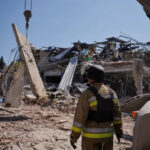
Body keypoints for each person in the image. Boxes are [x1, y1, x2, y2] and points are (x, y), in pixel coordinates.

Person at [70, 64, 123, 150]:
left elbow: (79, 118)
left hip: (91, 139)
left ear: (90, 78)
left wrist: (74, 137)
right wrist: (119, 132)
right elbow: (117, 116)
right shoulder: (112, 93)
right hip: (108, 138)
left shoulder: (86, 94)